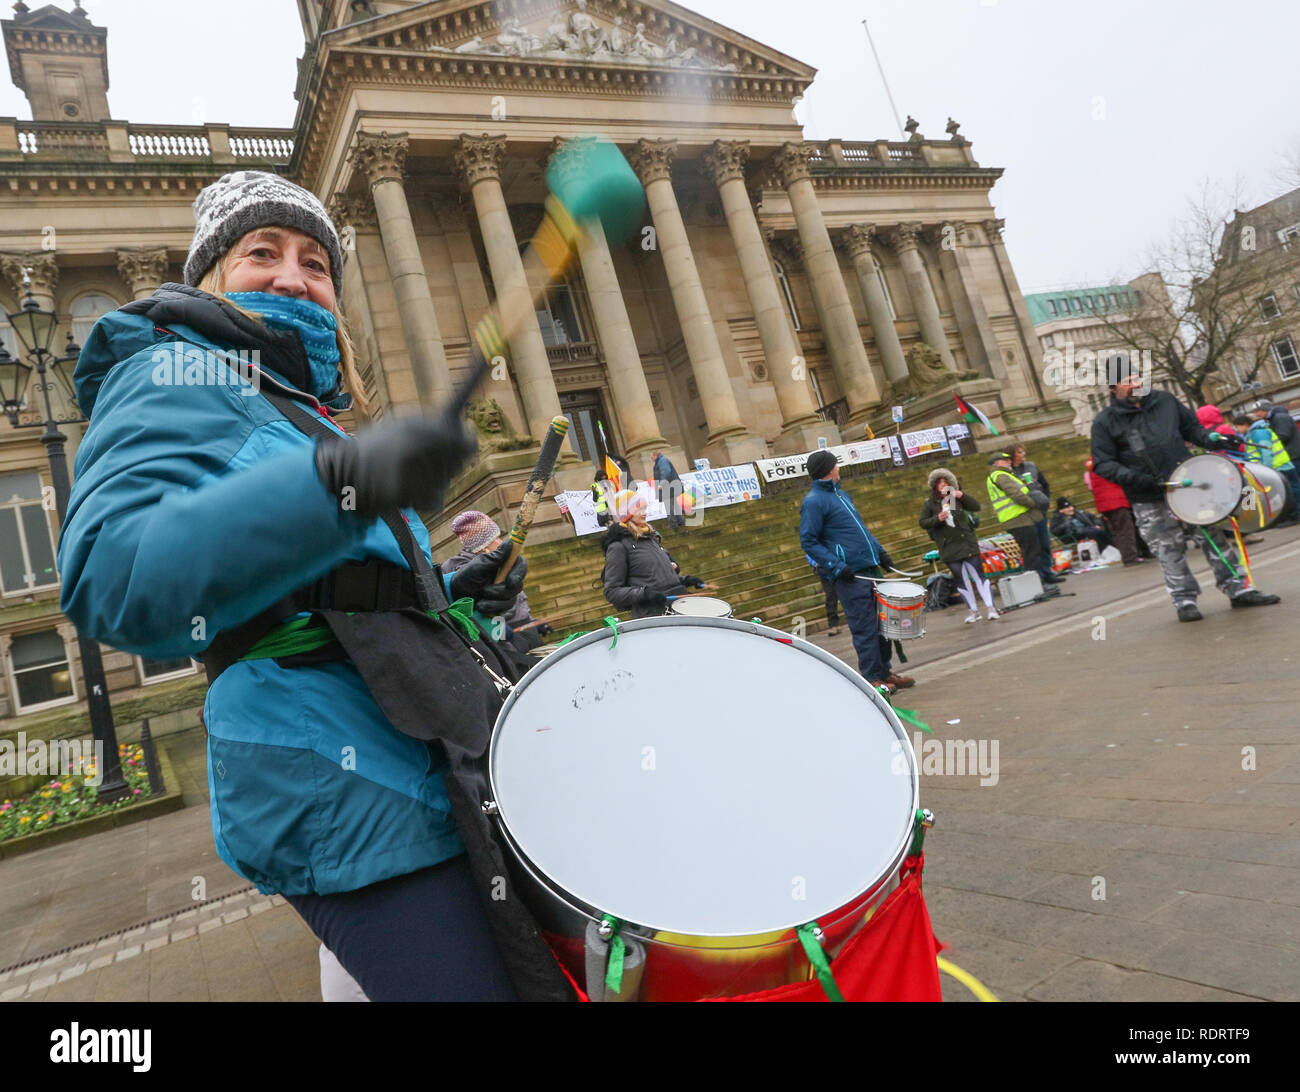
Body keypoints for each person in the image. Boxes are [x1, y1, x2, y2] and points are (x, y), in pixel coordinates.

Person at [55, 171, 561, 1002]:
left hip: (422, 763)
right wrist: (339, 482)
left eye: (316, 261)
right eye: (263, 251)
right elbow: (118, 580)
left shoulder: (296, 406)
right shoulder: (170, 375)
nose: (294, 275)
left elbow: (341, 597)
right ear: (209, 274)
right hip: (339, 787)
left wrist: (461, 595)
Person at [1091, 359, 1279, 621]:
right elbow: (1103, 463)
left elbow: (1191, 428)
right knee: (1168, 549)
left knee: (1213, 537)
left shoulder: (1165, 401)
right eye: (1127, 381)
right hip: (1148, 495)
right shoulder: (1105, 421)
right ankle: (1184, 600)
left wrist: (1212, 438)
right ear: (1113, 387)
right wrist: (1136, 478)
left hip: (1188, 484)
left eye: (1137, 377)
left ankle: (1239, 590)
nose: (1136, 384)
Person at [799, 450, 913, 693]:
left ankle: (885, 671)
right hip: (850, 575)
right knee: (865, 627)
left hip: (870, 569)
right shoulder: (814, 501)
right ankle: (873, 678)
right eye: (836, 466)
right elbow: (809, 541)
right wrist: (837, 566)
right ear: (829, 469)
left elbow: (861, 529)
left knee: (885, 623)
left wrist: (880, 552)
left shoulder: (842, 495)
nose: (839, 469)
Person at [441, 510, 554, 653]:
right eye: (496, 538)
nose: (501, 542)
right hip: (503, 644)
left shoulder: (501, 564)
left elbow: (517, 600)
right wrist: (497, 629)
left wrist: (532, 623)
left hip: (525, 635)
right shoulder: (460, 569)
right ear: (483, 546)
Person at [601, 490, 716, 618]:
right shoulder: (618, 547)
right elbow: (612, 592)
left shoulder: (650, 538)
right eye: (639, 509)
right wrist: (644, 594)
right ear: (626, 513)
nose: (644, 513)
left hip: (679, 607)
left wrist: (684, 581)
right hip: (655, 615)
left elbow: (656, 579)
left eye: (645, 508)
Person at [918, 468, 999, 623]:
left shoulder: (958, 498)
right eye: (939, 483)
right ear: (934, 487)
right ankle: (973, 611)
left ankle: (991, 608)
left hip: (967, 544)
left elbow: (976, 507)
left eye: (946, 483)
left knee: (979, 576)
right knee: (962, 581)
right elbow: (923, 522)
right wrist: (938, 518)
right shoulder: (930, 504)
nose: (943, 486)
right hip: (949, 548)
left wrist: (962, 495)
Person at [985, 451, 1059, 594]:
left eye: (1008, 460)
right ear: (996, 463)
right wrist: (1034, 503)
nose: (1008, 462)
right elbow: (1017, 495)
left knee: (1032, 552)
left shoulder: (1004, 475)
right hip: (1018, 519)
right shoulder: (1000, 475)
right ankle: (1037, 587)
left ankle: (1039, 584)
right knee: (1032, 554)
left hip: (1020, 519)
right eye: (1004, 460)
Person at [1010, 443, 1065, 585]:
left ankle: (1048, 572)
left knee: (1044, 542)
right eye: (1019, 452)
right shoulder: (1008, 472)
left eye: (1023, 451)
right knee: (1033, 546)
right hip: (1025, 513)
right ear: (1012, 455)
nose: (1023, 454)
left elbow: (1045, 484)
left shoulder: (1031, 466)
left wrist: (1044, 500)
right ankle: (1038, 576)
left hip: (1039, 509)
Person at [1243, 405, 1300, 527]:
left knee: (1289, 491)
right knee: (1292, 489)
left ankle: (1293, 515)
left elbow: (1267, 451)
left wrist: (1267, 470)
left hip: (1278, 465)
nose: (1237, 430)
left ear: (1244, 424)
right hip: (1282, 463)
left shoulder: (1259, 432)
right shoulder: (1264, 428)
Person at [1084, 456, 1145, 564]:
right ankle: (1131, 557)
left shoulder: (1092, 472)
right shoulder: (1109, 468)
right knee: (1126, 530)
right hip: (1117, 502)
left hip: (1104, 505)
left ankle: (1127, 556)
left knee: (1117, 532)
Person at [1049, 497, 1116, 554]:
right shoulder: (1057, 518)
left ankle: (1113, 548)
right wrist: (1065, 525)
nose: (1071, 509)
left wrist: (1097, 524)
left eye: (1070, 506)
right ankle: (1105, 550)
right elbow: (1054, 531)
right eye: (1067, 508)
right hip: (1074, 535)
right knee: (1095, 532)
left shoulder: (1078, 512)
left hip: (1089, 529)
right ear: (1061, 510)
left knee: (1101, 526)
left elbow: (1093, 517)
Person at [806, 552, 841, 635]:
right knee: (830, 597)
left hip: (837, 567)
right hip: (824, 571)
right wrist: (815, 564)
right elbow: (809, 552)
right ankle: (833, 625)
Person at [652, 449, 686, 530]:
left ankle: (673, 525)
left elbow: (665, 472)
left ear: (655, 455)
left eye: (652, 457)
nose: (651, 459)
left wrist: (661, 483)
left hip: (668, 488)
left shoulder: (662, 461)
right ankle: (680, 523)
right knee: (675, 505)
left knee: (669, 507)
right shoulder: (662, 460)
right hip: (672, 487)